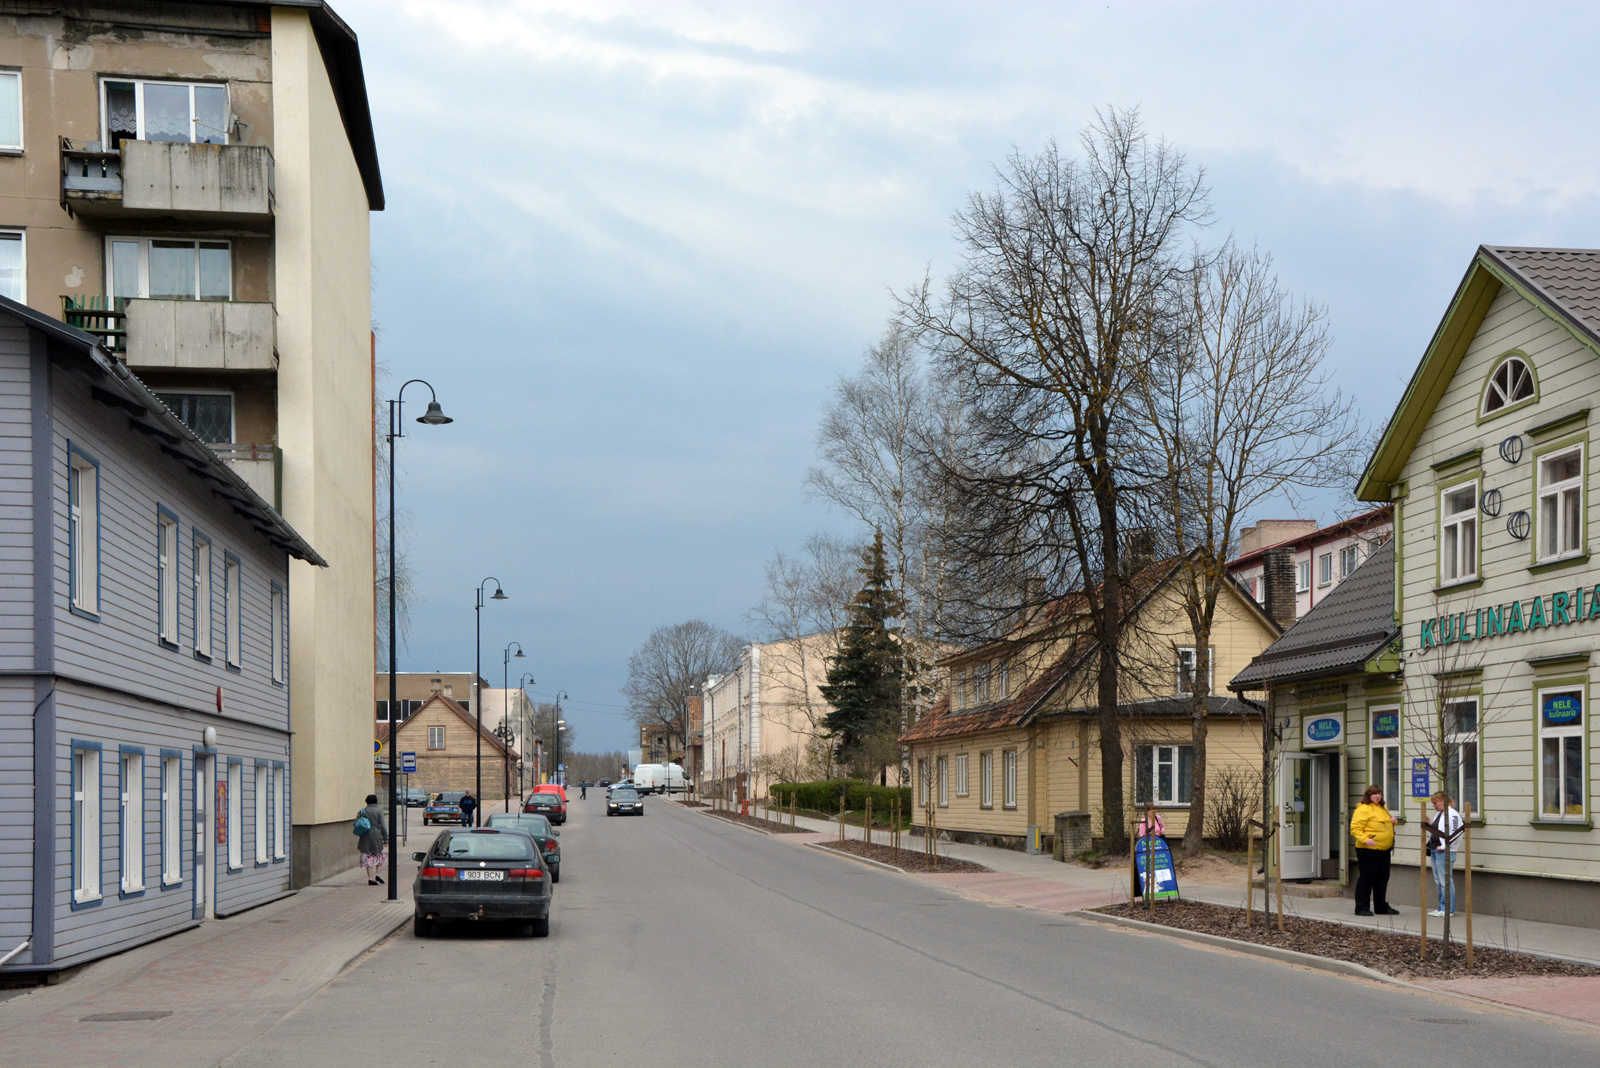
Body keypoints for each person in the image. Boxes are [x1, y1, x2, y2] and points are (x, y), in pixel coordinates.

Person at [1350, 784, 1399, 917]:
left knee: (1382, 878)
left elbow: (1383, 824)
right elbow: (1355, 828)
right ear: (1368, 795)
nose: (1377, 796)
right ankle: (1361, 907)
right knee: (1367, 878)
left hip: (1384, 849)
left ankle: (1381, 906)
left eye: (1379, 794)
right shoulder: (1363, 809)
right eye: (1374, 794)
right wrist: (1365, 839)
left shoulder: (1382, 808)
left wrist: (1393, 821)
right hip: (1368, 850)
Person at [1426, 791, 1465, 917]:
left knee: (1445, 881)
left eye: (1435, 803)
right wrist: (1430, 825)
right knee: (1439, 881)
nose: (1434, 806)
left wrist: (1443, 846)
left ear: (1443, 801)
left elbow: (1455, 832)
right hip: (1435, 851)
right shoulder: (1439, 814)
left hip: (1445, 852)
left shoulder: (1452, 815)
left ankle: (1448, 909)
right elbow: (1440, 830)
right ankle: (1441, 906)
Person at [356, 794, 389, 886]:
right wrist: (386, 839)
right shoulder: (379, 811)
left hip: (365, 836)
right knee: (379, 856)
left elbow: (356, 823)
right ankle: (377, 874)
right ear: (376, 802)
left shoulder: (362, 811)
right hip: (376, 836)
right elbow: (383, 826)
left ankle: (370, 878)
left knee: (367, 857)